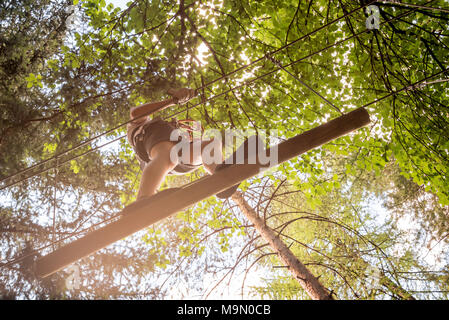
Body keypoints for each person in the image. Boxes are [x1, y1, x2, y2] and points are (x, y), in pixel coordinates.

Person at [127, 88, 236, 201]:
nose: (173, 125)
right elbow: (135, 113)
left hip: (174, 162)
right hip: (154, 146)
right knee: (168, 155)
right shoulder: (145, 126)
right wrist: (173, 101)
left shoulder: (173, 136)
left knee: (211, 145)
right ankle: (143, 198)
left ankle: (221, 176)